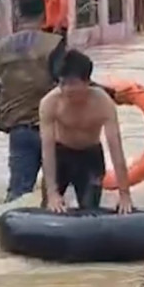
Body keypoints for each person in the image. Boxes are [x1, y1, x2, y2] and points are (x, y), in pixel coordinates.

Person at [0, 0, 66, 203]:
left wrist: (5, 96)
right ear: (44, 14)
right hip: (52, 129)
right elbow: (66, 81)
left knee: (18, 194)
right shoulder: (54, 43)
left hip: (18, 128)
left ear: (18, 14)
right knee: (57, 194)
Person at [38, 49, 134, 213]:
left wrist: (124, 194)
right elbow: (47, 149)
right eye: (62, 83)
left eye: (73, 83)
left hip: (90, 157)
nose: (67, 89)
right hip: (61, 154)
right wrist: (52, 193)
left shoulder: (103, 103)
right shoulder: (50, 103)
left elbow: (116, 148)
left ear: (87, 81)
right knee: (50, 207)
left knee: (90, 209)